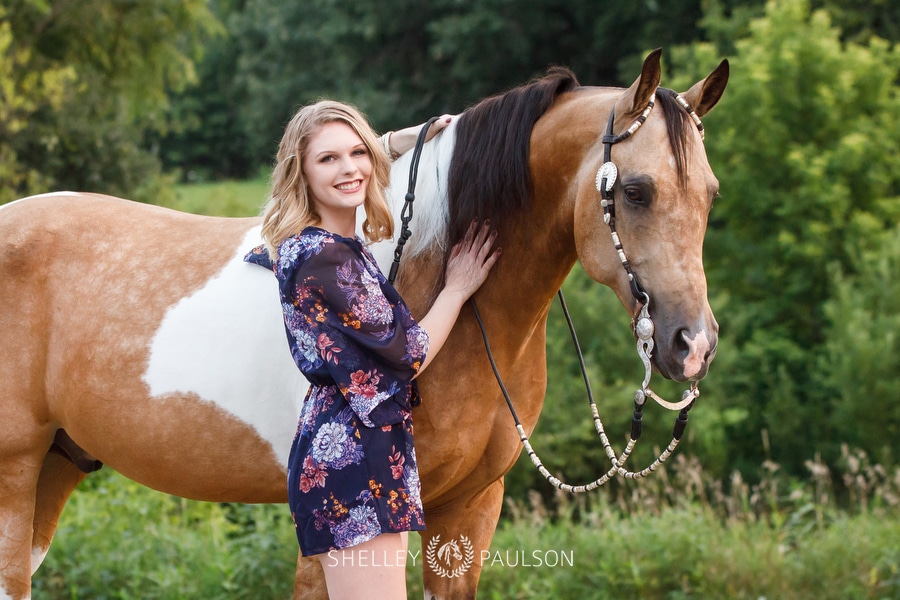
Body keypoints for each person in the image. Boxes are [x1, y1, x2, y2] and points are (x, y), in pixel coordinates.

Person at [244, 100, 500, 599]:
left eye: (358, 153)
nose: (349, 169)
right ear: (302, 172)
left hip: (363, 449)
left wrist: (402, 140)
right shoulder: (327, 260)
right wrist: (457, 287)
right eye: (328, 159)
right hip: (354, 459)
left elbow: (348, 165)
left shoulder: (306, 243)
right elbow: (410, 352)